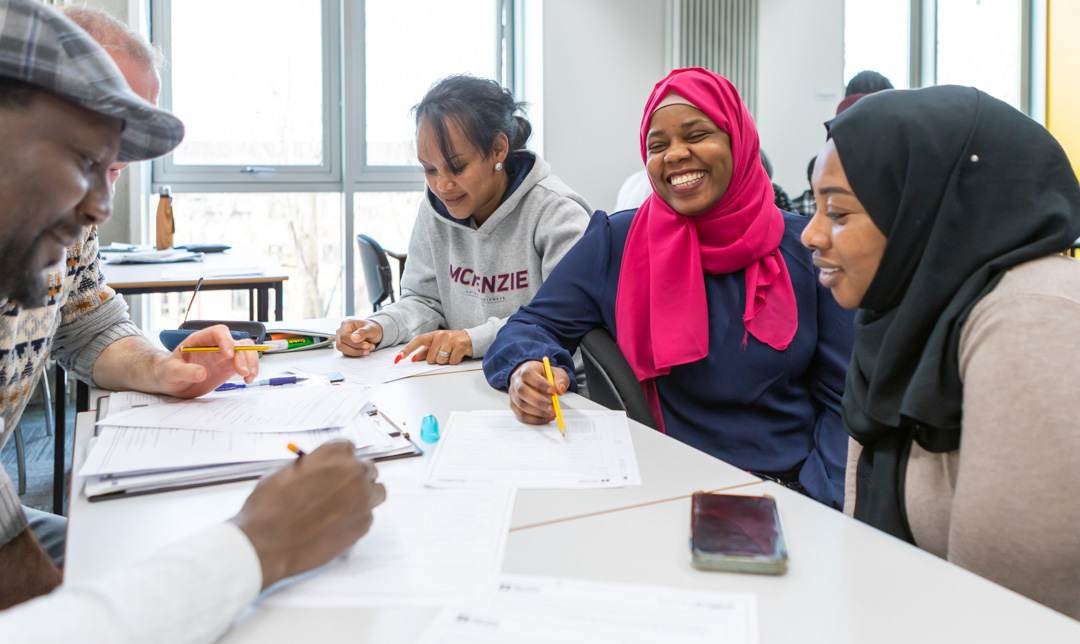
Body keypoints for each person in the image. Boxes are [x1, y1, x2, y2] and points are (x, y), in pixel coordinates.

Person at [0, 1, 386, 638]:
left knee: (149, 561)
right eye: (85, 159)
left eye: (116, 166)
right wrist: (260, 543)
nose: (101, 206)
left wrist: (162, 368)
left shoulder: (55, 230)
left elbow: (86, 323)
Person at [484, 68, 854, 508]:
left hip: (787, 488)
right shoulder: (616, 243)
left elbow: (845, 401)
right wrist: (529, 368)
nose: (675, 155)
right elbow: (532, 324)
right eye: (657, 145)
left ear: (738, 139)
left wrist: (822, 505)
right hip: (662, 485)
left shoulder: (805, 249)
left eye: (696, 135)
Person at [800, 85, 1080, 619]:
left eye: (837, 211)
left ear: (923, 210)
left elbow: (1015, 616)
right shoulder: (901, 311)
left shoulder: (1033, 318)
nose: (811, 235)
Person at [335, 75, 592, 366]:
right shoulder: (434, 213)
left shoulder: (557, 212)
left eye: (457, 167)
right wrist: (381, 326)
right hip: (468, 381)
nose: (443, 185)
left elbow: (562, 317)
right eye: (430, 169)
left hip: (551, 388)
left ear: (498, 149)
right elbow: (424, 302)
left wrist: (472, 340)